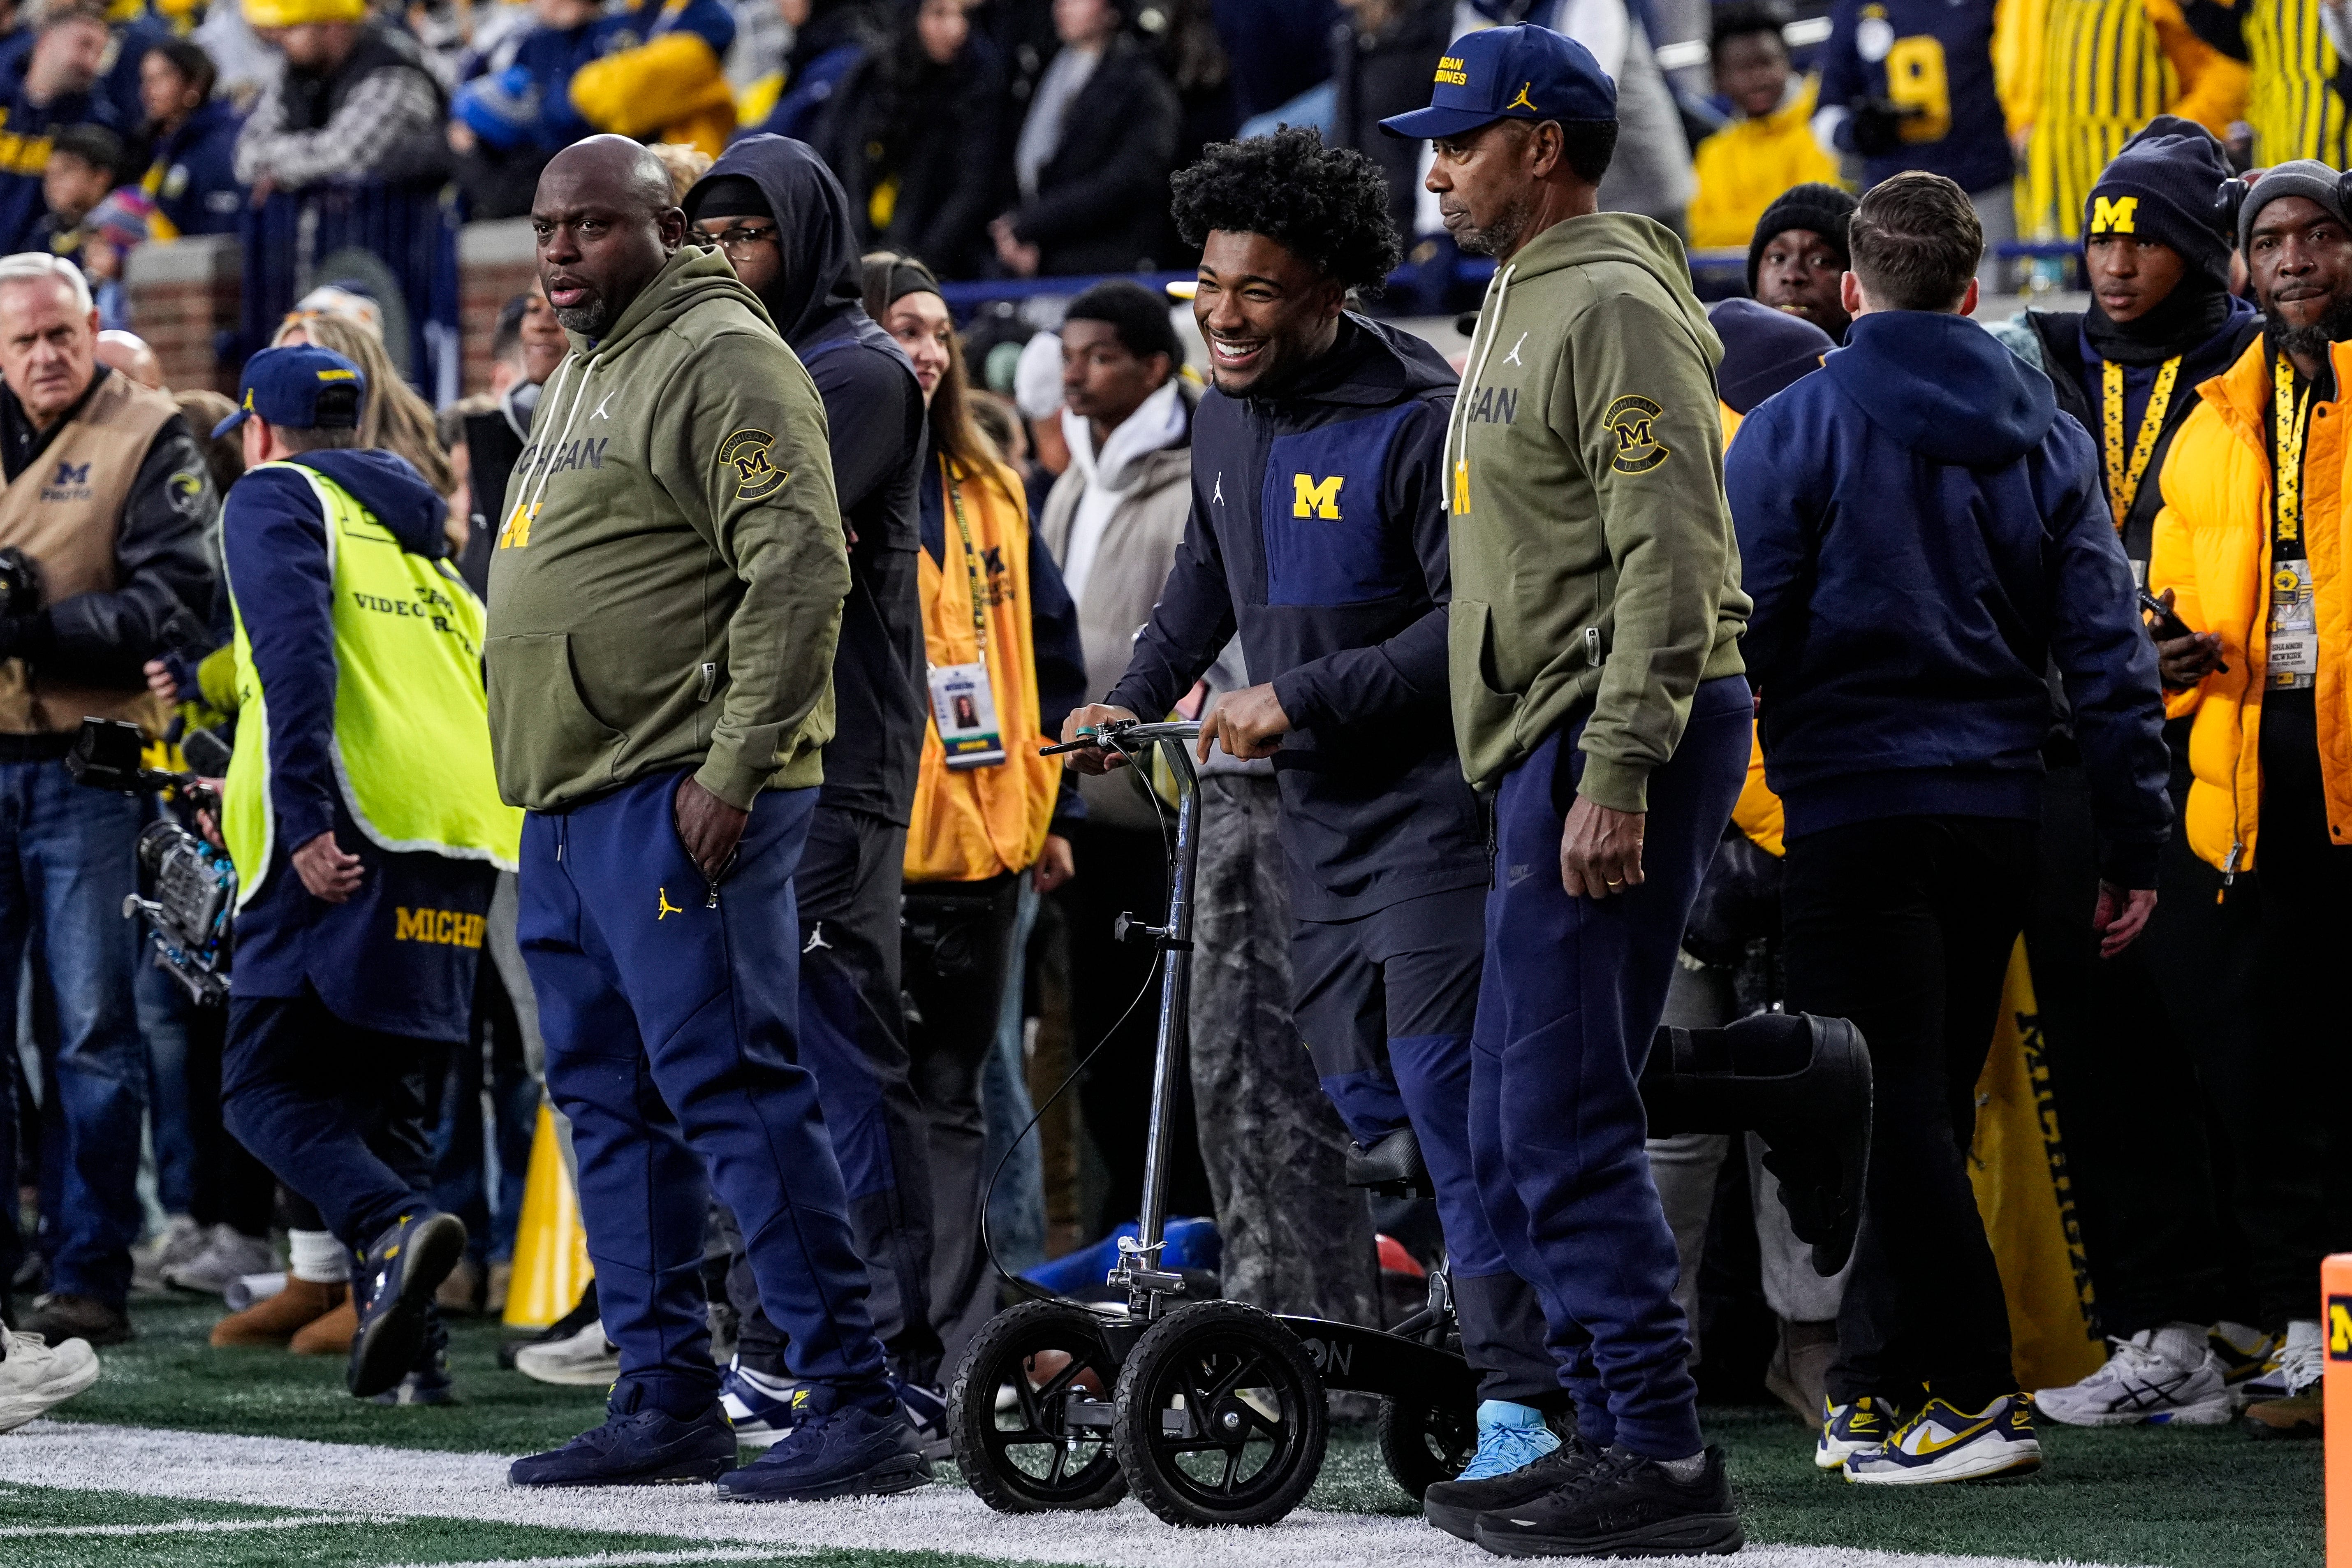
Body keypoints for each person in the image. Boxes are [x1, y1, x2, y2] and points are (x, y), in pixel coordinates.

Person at [1060, 125, 1573, 1512]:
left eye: (1260, 291)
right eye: (1210, 286)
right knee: (1374, 1118)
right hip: (1312, 831)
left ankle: (1533, 1400)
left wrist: (1300, 696)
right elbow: (1205, 572)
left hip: (1435, 820)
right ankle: (1488, 1354)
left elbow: (1474, 619)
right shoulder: (1223, 408)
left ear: (1332, 288)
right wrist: (1136, 691)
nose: (1224, 314)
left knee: (1450, 1114)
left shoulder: (1419, 410)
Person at [493, 136, 922, 1500]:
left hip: (677, 787)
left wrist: (735, 769)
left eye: (592, 226)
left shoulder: (723, 354)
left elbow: (797, 567)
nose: (560, 250)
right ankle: (667, 1391)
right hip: (568, 800)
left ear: (667, 229)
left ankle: (854, 1399)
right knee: (608, 1105)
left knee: (735, 1089)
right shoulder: (596, 361)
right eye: (547, 227)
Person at [1729, 170, 2171, 1482]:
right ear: (1972, 290)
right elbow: (2107, 652)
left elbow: (1744, 632)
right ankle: (1877, 1386)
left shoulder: (1791, 427)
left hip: (1851, 808)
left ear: (1852, 289)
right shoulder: (2049, 434)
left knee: (1881, 1112)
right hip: (2000, 811)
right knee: (1913, 1105)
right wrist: (2130, 839)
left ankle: (1974, 1389)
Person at [1383, 24, 1752, 1552]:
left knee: (1556, 1105)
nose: (1438, 161)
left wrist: (1615, 765)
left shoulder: (1604, 303)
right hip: (1557, 734)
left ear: (1543, 146)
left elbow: (1680, 556)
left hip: (1611, 736)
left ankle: (1657, 1456)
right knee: (1519, 1101)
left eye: (1462, 138)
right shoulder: (1528, 299)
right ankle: (1611, 1426)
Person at [678, 137, 942, 1438]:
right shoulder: (759, 361)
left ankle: (878, 1342)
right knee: (767, 1057)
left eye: (750, 237)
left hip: (834, 762)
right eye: (707, 237)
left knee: (837, 1058)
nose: (725, 259)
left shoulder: (852, 369)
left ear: (808, 237)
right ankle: (787, 1333)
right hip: (769, 753)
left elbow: (754, 554)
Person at [208, 343, 515, 1406]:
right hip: (456, 833)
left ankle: (385, 1233)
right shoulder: (416, 527)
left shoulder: (273, 497)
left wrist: (297, 815)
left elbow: (297, 656)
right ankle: (417, 1356)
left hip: (343, 829)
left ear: (258, 429)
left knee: (260, 1084)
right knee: (383, 1103)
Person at [2147, 160, 2352, 1440]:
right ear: (2238, 267)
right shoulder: (2212, 414)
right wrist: (2162, 657)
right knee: (2266, 1061)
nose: (2295, 259)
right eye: (2269, 239)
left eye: (2322, 234)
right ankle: (2294, 1323)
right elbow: (2176, 581)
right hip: (2247, 782)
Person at [865, 252, 1084, 1379]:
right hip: (868, 849)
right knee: (869, 1106)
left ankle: (962, 1337)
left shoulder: (989, 480)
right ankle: (868, 1336)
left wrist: (1054, 808)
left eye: (941, 330)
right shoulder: (836, 471)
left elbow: (1047, 655)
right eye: (907, 325)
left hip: (987, 847)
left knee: (956, 1102)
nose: (931, 349)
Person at [0, 253, 213, 1348]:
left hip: (87, 763)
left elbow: (178, 596)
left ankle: (90, 1269)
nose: (47, 355)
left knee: (91, 1026)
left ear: (93, 328)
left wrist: (37, 624)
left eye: (63, 334)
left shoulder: (149, 429)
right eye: (25, 339)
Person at [1034, 279, 1206, 1239]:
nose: (1076, 372)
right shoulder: (1070, 484)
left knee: (1161, 1044)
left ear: (1151, 365)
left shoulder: (1186, 478)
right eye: (1069, 354)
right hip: (1080, 807)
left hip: (1161, 809)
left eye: (1099, 354)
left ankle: (1179, 1228)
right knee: (1096, 1045)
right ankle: (1114, 1235)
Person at [2002, 0, 2242, 244]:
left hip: (2141, 179)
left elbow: (2232, 66)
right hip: (2057, 181)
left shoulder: (2160, 6)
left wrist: (2177, 133)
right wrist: (2024, 123)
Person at [1813, 0, 2013, 291]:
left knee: (1990, 309)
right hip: (1891, 201)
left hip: (1983, 187)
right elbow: (1825, 113)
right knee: (1895, 306)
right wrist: (1857, 132)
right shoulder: (1854, 9)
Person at [991, 0, 1180, 278]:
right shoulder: (1040, 70)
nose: (1063, 7)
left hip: (1106, 266)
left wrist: (1033, 223)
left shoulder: (1141, 82)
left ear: (1112, 10)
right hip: (1037, 257)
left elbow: (1131, 178)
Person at [825, 0, 1009, 277]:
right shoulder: (866, 80)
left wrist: (912, 272)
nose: (956, 29)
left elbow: (971, 191)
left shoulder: (982, 83)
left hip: (941, 268)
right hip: (861, 253)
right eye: (939, 14)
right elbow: (838, 163)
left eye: (964, 15)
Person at [234, 0, 447, 197]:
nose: (278, 38)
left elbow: (344, 158)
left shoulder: (391, 72)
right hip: (339, 232)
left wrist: (274, 166)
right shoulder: (298, 72)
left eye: (292, 27)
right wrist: (301, 157)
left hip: (405, 229)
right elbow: (245, 154)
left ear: (333, 26)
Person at [1687, 3, 1841, 251]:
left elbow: (1817, 221)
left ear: (1788, 62)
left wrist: (1736, 229)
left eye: (1766, 63)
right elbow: (1700, 233)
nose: (1758, 79)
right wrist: (1781, 225)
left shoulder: (1822, 128)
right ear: (1719, 77)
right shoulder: (1713, 153)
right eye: (1742, 69)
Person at [0, 9, 114, 256]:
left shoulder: (94, 126)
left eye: (100, 53)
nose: (91, 63)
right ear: (45, 40)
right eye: (84, 45)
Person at [136, 39, 245, 241]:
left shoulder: (221, 144)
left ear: (195, 84)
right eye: (146, 79)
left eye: (161, 78)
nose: (148, 90)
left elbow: (222, 233)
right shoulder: (161, 144)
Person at [1748, 181, 1857, 341]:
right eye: (1777, 258)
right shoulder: (1721, 358)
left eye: (1820, 261)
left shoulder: (1879, 363)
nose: (1792, 276)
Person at [32, 125, 122, 274]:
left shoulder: (119, 237)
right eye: (50, 172)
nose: (53, 182)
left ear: (101, 178)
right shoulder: (44, 232)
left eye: (66, 171)